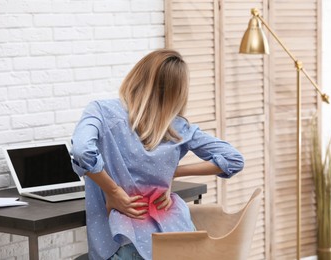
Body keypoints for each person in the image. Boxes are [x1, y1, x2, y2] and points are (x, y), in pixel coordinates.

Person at [70, 49, 244, 260]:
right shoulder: (180, 128)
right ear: (178, 92)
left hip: (122, 243)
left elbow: (81, 151)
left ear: (137, 75)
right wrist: (174, 173)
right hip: (178, 241)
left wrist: (113, 191)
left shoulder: (100, 111)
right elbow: (233, 160)